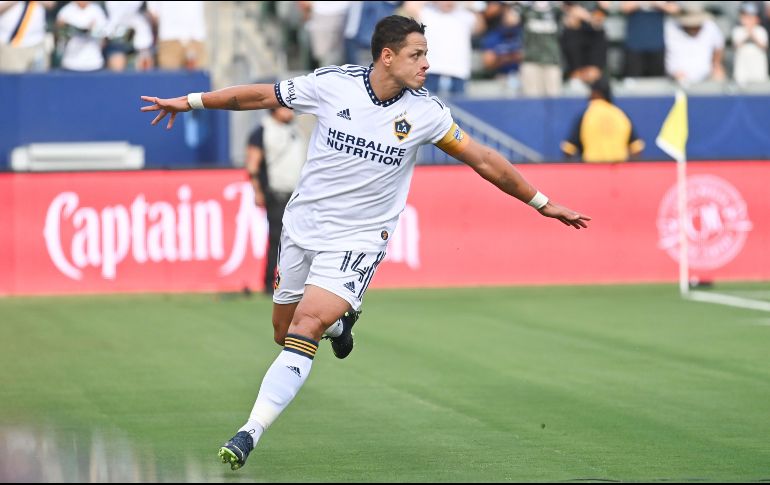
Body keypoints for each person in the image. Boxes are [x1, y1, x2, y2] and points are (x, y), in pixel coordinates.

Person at [141, 15, 590, 471]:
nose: (427, 64)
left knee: (303, 328)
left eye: (426, 55)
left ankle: (249, 431)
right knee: (284, 331)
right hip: (303, 227)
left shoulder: (426, 113)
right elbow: (261, 95)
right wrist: (191, 101)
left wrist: (541, 202)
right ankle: (342, 323)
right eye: (417, 55)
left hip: (358, 238)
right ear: (387, 56)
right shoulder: (333, 84)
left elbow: (484, 159)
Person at [245, 107, 308, 296]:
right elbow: (253, 164)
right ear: (274, 110)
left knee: (303, 242)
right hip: (277, 193)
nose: (290, 111)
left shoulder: (295, 131)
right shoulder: (262, 132)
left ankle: (299, 283)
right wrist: (257, 191)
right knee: (277, 240)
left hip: (298, 194)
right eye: (285, 108)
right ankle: (269, 282)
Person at [561, 77, 645, 163]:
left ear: (595, 93)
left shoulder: (585, 115)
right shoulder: (621, 115)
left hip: (591, 169)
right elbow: (636, 149)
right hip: (619, 170)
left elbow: (568, 149)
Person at [664, 3, 725, 84]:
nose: (694, 28)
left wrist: (716, 65)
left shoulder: (710, 27)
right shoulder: (670, 28)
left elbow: (718, 47)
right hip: (675, 82)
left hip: (706, 80)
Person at [620, 1, 680, 78]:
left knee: (657, 83)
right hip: (634, 45)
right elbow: (624, 8)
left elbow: (674, 9)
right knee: (633, 83)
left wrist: (656, 3)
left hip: (657, 45)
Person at [0, 0, 55, 73]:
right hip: (10, 44)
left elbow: (51, 4)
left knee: (39, 81)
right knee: (11, 82)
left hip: (38, 42)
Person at [731, 2, 769, 85]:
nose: (747, 20)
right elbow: (736, 45)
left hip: (758, 70)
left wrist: (752, 34)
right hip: (742, 72)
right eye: (745, 17)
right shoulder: (738, 30)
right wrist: (747, 33)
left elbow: (764, 46)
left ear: (757, 19)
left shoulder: (761, 31)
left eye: (750, 17)